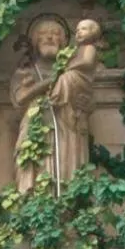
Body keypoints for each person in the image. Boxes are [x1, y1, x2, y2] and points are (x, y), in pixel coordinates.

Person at [10, 14, 102, 194]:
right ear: (35, 41)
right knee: (35, 177)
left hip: (69, 131)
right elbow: (21, 98)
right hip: (36, 129)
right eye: (43, 34)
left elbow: (89, 102)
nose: (50, 37)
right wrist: (49, 82)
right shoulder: (26, 71)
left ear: (64, 40)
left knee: (69, 174)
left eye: (56, 34)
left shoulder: (76, 71)